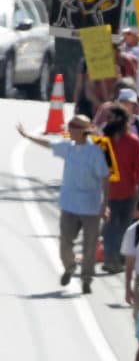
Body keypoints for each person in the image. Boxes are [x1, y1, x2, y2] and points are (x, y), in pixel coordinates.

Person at [16, 114, 109, 294]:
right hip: (70, 205)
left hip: (90, 206)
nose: (71, 130)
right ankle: (70, 265)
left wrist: (105, 204)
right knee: (65, 241)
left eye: (74, 127)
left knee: (90, 245)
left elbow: (105, 178)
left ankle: (86, 279)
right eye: (70, 126)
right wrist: (27, 136)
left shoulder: (95, 152)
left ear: (83, 131)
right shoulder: (69, 148)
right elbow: (49, 144)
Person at [101, 104, 139, 274]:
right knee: (109, 228)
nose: (108, 122)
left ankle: (118, 259)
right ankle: (109, 259)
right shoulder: (106, 141)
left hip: (128, 193)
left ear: (121, 119)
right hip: (108, 193)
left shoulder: (133, 142)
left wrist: (138, 199)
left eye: (111, 118)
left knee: (123, 228)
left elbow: (138, 171)